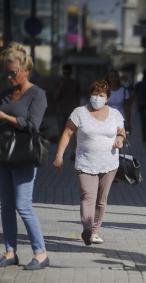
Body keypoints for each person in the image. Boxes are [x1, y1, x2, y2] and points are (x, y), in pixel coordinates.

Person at [53, 80, 126, 246]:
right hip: (85, 163)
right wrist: (59, 156)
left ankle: (95, 231)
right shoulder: (79, 112)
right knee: (88, 196)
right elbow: (67, 133)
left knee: (101, 200)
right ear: (89, 95)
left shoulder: (115, 114)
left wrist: (120, 139)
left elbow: (121, 131)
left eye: (101, 95)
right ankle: (87, 228)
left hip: (109, 164)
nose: (97, 98)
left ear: (107, 98)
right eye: (94, 94)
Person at [0, 42, 49, 270]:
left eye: (13, 72)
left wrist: (5, 118)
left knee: (23, 205)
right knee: (6, 206)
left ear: (25, 69)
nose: (9, 77)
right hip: (3, 155)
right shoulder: (5, 93)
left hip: (24, 155)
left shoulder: (37, 95)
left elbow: (33, 126)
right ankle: (10, 251)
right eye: (5, 72)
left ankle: (41, 253)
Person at [54, 64, 81, 133]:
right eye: (65, 73)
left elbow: (78, 98)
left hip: (70, 111)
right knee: (62, 131)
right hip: (62, 111)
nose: (66, 75)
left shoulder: (75, 83)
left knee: (70, 132)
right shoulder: (60, 82)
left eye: (67, 73)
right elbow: (56, 97)